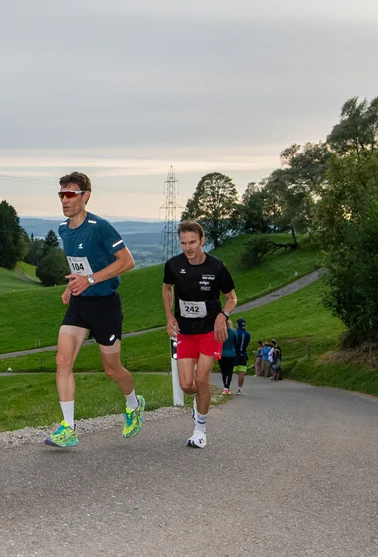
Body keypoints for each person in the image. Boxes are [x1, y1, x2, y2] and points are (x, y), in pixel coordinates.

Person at [45, 171, 142, 448]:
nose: (64, 200)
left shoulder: (101, 227)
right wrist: (72, 286)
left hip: (105, 304)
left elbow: (127, 261)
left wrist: (90, 280)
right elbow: (78, 263)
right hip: (80, 303)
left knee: (112, 369)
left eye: (70, 194)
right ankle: (68, 428)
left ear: (85, 196)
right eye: (61, 194)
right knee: (62, 361)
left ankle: (133, 405)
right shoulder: (64, 229)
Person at [163, 220, 237, 449]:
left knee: (202, 378)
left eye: (192, 242)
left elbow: (232, 298)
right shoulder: (173, 265)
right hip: (185, 331)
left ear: (202, 241)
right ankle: (201, 399)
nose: (188, 248)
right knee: (188, 385)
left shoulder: (216, 267)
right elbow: (167, 288)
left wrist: (222, 315)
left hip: (209, 331)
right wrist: (169, 316)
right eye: (183, 243)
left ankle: (200, 429)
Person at [217, 319, 238, 396]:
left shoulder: (219, 332)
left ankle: (225, 387)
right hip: (231, 353)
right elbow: (236, 341)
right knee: (229, 371)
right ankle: (226, 387)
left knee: (223, 371)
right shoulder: (233, 331)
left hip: (221, 353)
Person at [233, 318, 252, 394]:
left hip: (235, 354)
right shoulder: (248, 334)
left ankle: (226, 387)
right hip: (243, 354)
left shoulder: (236, 332)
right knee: (242, 372)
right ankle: (239, 388)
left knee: (229, 370)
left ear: (238, 324)